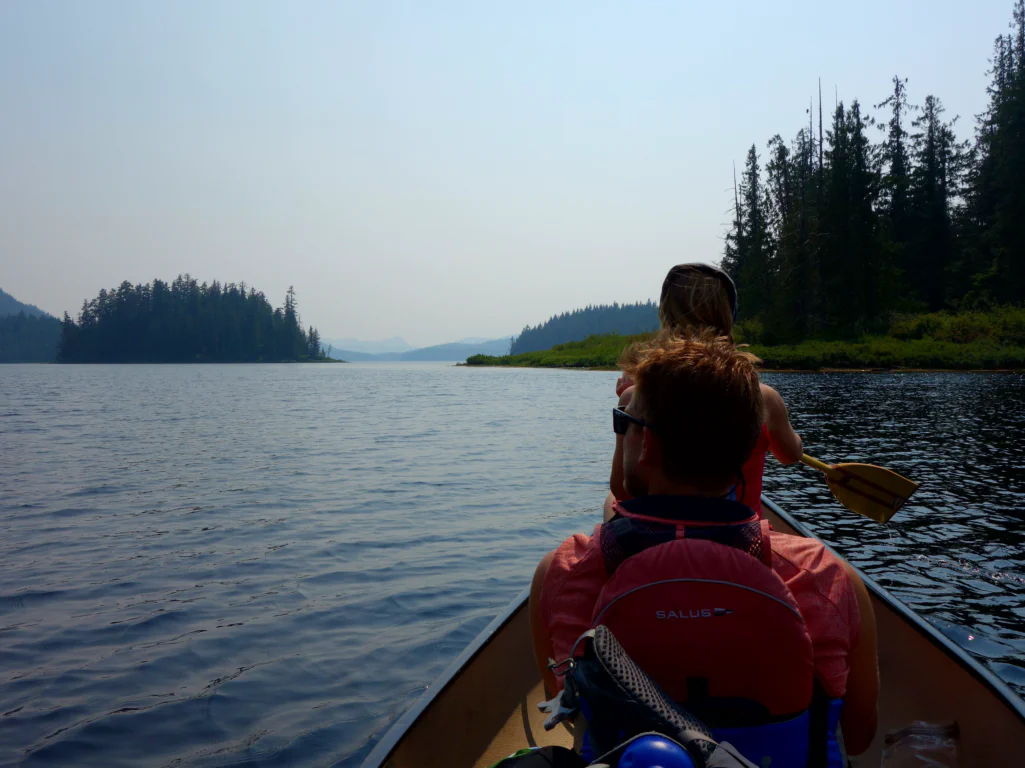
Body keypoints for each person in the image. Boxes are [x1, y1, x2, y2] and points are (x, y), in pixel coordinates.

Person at [530, 333, 879, 764]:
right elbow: (860, 736)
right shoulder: (825, 575)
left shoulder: (564, 571)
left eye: (624, 425)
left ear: (648, 446)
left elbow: (565, 710)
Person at [607, 264, 802, 519]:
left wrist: (628, 407)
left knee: (609, 502)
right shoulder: (765, 400)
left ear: (666, 317)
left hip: (658, 534)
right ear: (727, 316)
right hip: (741, 537)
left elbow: (623, 491)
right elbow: (791, 455)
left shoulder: (635, 398)